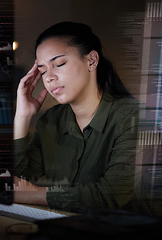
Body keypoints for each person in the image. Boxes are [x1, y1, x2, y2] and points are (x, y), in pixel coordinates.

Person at [13, 21, 139, 213]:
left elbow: (112, 195)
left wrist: (34, 193)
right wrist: (22, 117)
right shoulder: (50, 121)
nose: (48, 77)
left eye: (59, 64)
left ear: (91, 61)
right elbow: (18, 183)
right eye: (42, 70)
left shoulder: (133, 117)